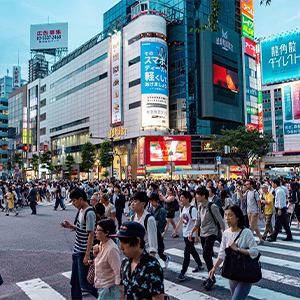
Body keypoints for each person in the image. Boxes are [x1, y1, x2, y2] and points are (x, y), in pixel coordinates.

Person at [209, 205, 259, 300]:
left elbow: (255, 252)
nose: (227, 218)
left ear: (237, 217)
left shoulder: (246, 233)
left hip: (246, 273)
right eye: (226, 215)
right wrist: (214, 268)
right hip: (232, 272)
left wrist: (237, 249)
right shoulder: (226, 233)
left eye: (230, 215)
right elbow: (222, 253)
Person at [61, 188, 98, 299]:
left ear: (81, 199)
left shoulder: (89, 212)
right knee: (74, 282)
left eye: (74, 201)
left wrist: (87, 255)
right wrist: (71, 226)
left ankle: (105, 297)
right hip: (77, 251)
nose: (73, 203)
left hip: (83, 252)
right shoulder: (81, 211)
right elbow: (82, 229)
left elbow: (91, 234)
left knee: (85, 283)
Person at [113, 221, 164, 300]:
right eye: (120, 242)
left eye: (124, 242)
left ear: (137, 242)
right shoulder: (125, 263)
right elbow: (122, 289)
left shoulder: (152, 266)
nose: (121, 247)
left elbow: (158, 298)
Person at [189, 187, 225, 290]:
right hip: (203, 233)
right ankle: (211, 275)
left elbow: (220, 220)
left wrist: (224, 232)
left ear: (203, 196)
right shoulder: (200, 207)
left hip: (211, 233)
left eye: (197, 195)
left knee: (206, 254)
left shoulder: (212, 206)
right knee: (206, 255)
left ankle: (212, 278)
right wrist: (192, 232)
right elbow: (198, 222)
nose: (196, 196)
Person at [172, 191, 204, 282]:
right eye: (180, 197)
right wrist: (175, 230)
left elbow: (196, 223)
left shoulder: (192, 209)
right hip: (185, 234)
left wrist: (196, 236)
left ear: (188, 199)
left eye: (182, 197)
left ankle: (183, 273)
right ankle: (200, 265)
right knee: (192, 250)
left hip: (191, 235)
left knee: (186, 253)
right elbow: (181, 221)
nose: (180, 199)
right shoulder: (183, 209)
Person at [93, 218, 121, 300]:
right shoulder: (101, 244)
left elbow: (117, 271)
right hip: (102, 287)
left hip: (109, 289)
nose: (95, 232)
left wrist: (118, 293)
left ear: (107, 232)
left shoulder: (111, 249)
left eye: (98, 230)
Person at [130, 192, 158, 257]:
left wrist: (151, 261)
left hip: (146, 255)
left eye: (135, 201)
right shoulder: (132, 218)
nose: (132, 204)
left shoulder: (149, 219)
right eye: (132, 201)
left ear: (143, 204)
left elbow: (153, 244)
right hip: (136, 254)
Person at [148, 192, 170, 268]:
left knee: (160, 251)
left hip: (158, 231)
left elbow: (161, 222)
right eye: (150, 201)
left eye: (153, 201)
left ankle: (166, 259)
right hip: (150, 231)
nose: (151, 203)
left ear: (157, 201)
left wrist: (151, 221)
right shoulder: (150, 209)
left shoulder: (162, 210)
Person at [243, 180, 264, 245]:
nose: (246, 185)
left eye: (247, 184)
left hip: (255, 212)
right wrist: (239, 191)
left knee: (251, 227)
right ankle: (261, 239)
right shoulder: (247, 192)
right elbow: (242, 197)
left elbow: (259, 204)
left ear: (251, 185)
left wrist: (260, 214)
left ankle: (248, 242)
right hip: (249, 211)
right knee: (255, 226)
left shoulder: (255, 193)